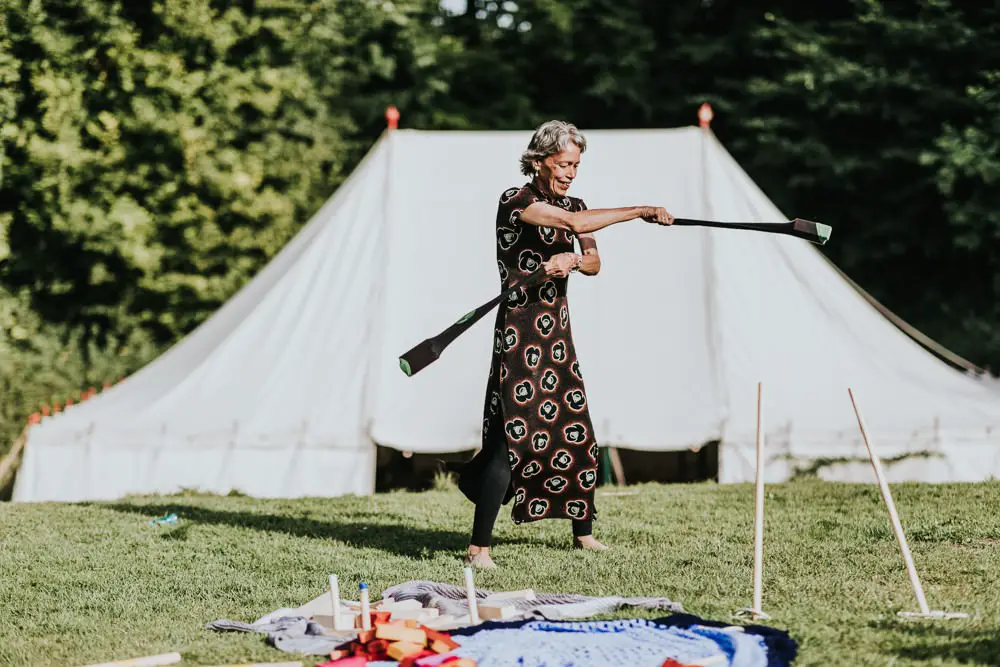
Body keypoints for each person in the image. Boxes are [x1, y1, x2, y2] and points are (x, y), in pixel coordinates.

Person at [457, 120, 674, 568]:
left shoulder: (578, 203)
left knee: (577, 427)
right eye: (564, 163)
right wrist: (639, 210)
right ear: (539, 161)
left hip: (556, 330)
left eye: (576, 164)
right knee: (507, 439)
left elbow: (593, 261)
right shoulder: (516, 201)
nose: (571, 172)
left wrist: (572, 260)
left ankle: (584, 533)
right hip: (519, 330)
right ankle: (479, 548)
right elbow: (574, 223)